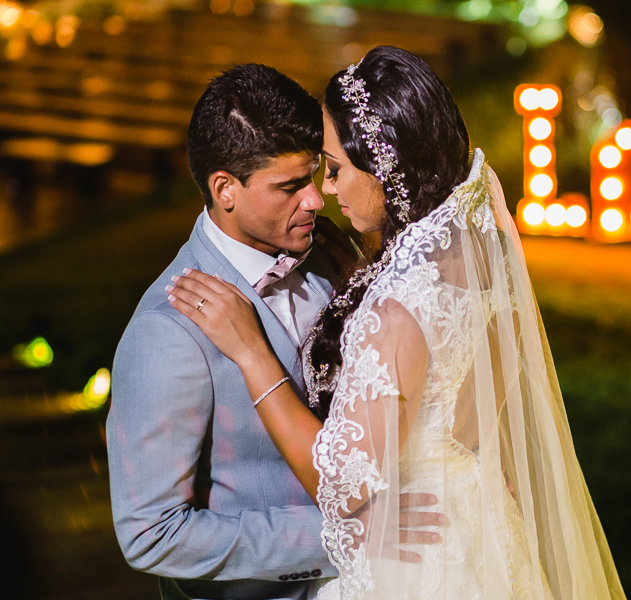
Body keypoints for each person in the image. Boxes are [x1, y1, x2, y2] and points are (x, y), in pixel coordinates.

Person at [169, 46, 627, 599]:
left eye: (336, 170)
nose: (327, 191)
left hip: (413, 560)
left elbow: (342, 487)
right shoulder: (484, 262)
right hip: (479, 529)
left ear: (384, 171)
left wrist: (252, 353)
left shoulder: (397, 308)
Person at [107, 63, 440, 600]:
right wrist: (342, 536)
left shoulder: (329, 254)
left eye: (315, 174)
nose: (315, 200)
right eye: (289, 186)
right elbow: (152, 535)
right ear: (225, 189)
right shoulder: (168, 333)